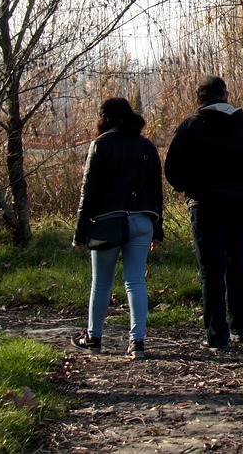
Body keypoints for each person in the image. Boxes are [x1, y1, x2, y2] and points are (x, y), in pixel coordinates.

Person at [164, 76, 243, 351]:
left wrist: (189, 189)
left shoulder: (190, 127)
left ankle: (216, 335)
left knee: (211, 269)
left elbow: (173, 171)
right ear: (226, 95)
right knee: (236, 260)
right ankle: (242, 327)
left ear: (198, 100)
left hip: (204, 204)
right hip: (241, 202)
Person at [71, 97, 164, 359]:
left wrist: (80, 231)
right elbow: (156, 190)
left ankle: (94, 336)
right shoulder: (146, 146)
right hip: (142, 220)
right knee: (135, 281)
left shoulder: (100, 145)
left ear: (105, 119)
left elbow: (88, 191)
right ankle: (137, 342)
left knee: (101, 283)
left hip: (107, 222)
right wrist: (157, 228)